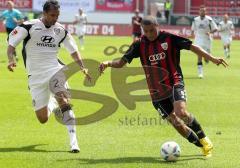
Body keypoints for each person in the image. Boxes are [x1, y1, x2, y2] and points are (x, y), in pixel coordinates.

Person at [99, 16, 228, 158]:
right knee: (176, 123)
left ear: (157, 26)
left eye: (152, 30)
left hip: (174, 82)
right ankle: (201, 146)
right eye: (146, 31)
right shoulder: (139, 44)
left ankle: (204, 138)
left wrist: (212, 59)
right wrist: (107, 63)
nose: (149, 34)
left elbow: (192, 47)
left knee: (181, 113)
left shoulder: (169, 38)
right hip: (156, 92)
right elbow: (121, 63)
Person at [7, 0, 91, 153]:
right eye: (52, 15)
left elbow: (73, 50)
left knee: (63, 100)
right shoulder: (29, 26)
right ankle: (51, 103)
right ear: (44, 13)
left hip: (55, 70)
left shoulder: (60, 30)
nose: (55, 18)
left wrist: (82, 67)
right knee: (43, 118)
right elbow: (11, 45)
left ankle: (74, 143)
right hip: (36, 77)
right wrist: (11, 59)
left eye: (57, 15)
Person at [191, 5, 218, 78]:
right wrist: (192, 36)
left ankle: (206, 59)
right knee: (199, 55)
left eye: (204, 10)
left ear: (206, 12)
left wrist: (210, 32)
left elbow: (215, 28)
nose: (202, 12)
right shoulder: (195, 20)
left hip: (207, 40)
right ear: (199, 12)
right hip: (198, 39)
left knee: (206, 58)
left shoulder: (209, 19)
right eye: (201, 10)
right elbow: (193, 29)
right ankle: (200, 73)